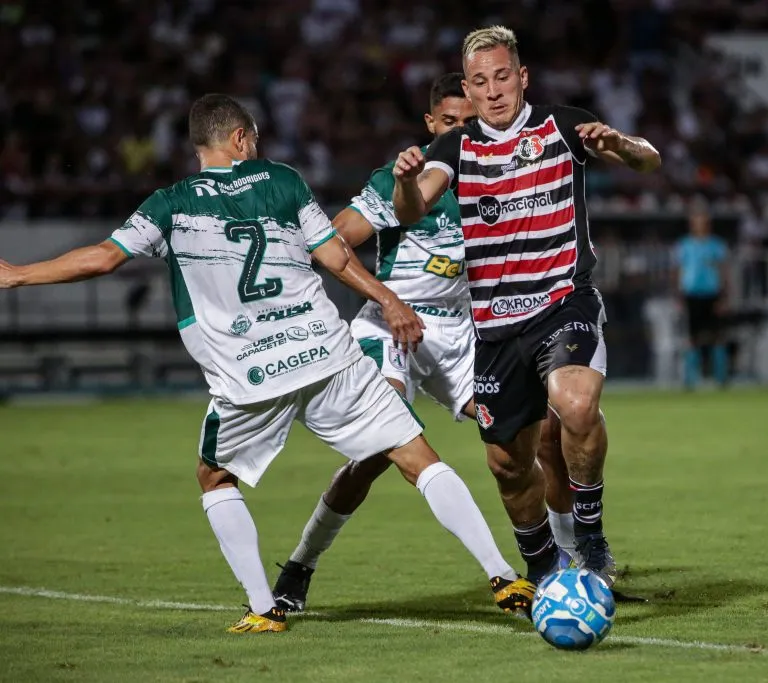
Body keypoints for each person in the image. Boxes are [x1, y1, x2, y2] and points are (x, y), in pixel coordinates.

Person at [0, 94, 536, 631]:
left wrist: (17, 275)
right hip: (325, 351)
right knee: (416, 454)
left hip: (249, 370)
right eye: (252, 139)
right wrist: (388, 299)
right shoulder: (282, 181)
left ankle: (264, 608)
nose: (256, 148)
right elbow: (334, 255)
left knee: (214, 477)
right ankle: (502, 572)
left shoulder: (170, 204)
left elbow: (102, 258)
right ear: (238, 139)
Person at [272, 74, 576, 612]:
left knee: (532, 438)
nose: (463, 132)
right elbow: (334, 241)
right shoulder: (403, 180)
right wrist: (389, 300)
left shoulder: (495, 174)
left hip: (464, 333)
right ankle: (301, 565)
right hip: (392, 328)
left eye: (471, 123)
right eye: (452, 123)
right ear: (432, 125)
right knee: (377, 456)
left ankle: (561, 560)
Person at [390, 26, 661, 587]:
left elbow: (649, 161)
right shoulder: (456, 147)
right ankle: (543, 569)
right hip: (494, 328)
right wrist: (405, 183)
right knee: (509, 466)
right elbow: (413, 210)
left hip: (564, 300)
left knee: (576, 404)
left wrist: (622, 146)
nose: (493, 91)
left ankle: (590, 540)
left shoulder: (562, 126)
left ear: (522, 77)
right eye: (481, 82)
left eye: (503, 76)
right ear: (469, 87)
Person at [675, 200, 730, 388]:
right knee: (692, 338)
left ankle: (721, 378)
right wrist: (679, 295)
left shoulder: (716, 245)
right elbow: (678, 271)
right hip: (692, 294)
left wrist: (724, 297)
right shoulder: (684, 245)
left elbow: (724, 272)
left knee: (717, 335)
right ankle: (691, 379)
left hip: (712, 294)